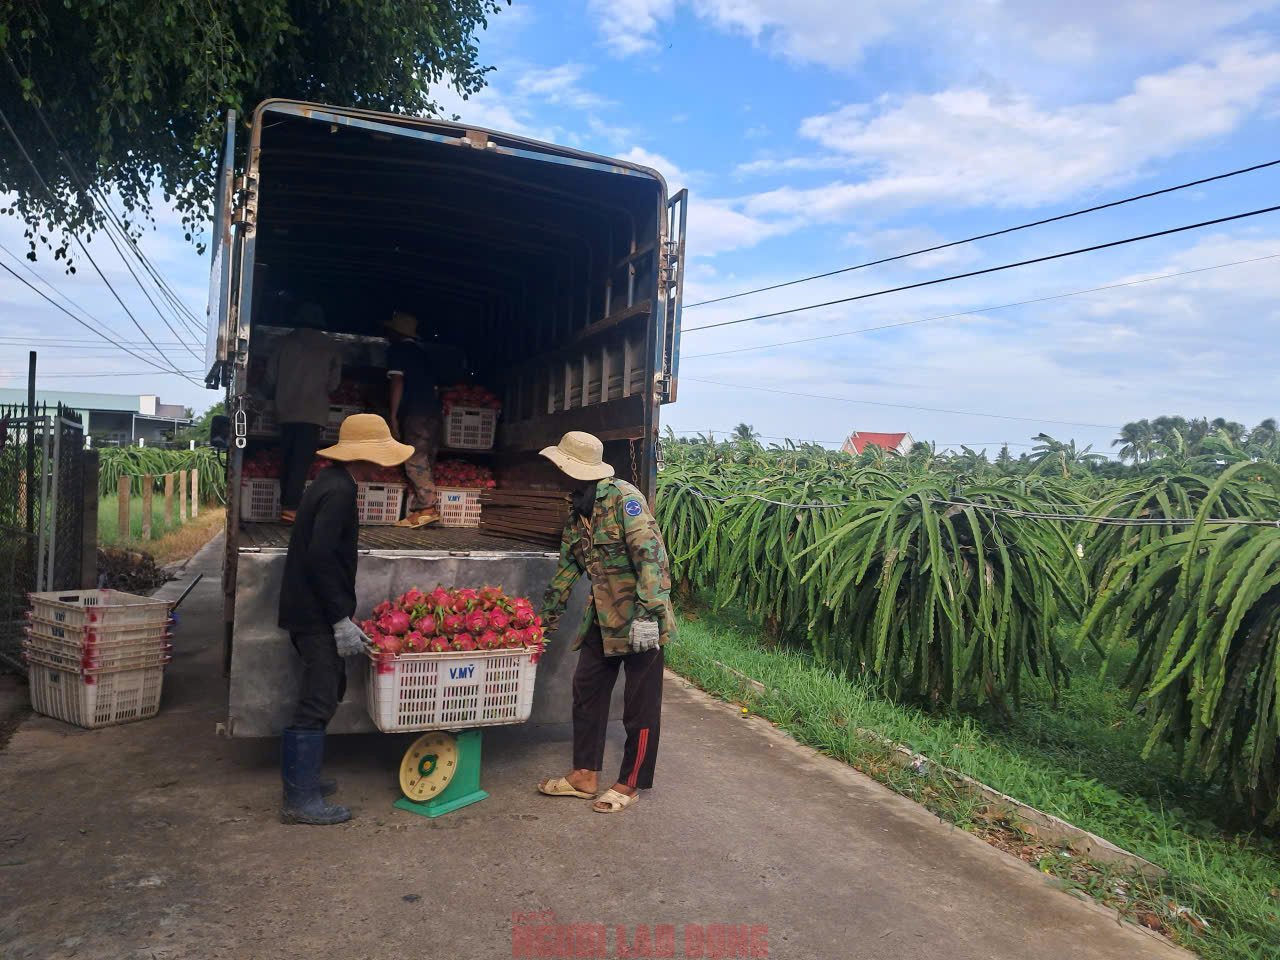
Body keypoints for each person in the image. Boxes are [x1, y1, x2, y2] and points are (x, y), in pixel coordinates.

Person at [276, 413, 413, 825]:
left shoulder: (330, 482)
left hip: (310, 608)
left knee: (328, 686)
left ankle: (306, 782)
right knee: (318, 697)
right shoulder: (338, 491)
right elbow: (319, 557)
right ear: (369, 456)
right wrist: (339, 617)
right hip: (315, 613)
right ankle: (300, 801)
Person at [536, 431, 676, 813]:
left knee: (640, 706)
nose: (555, 473)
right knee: (586, 691)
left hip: (639, 621)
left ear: (574, 469)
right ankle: (584, 775)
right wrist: (542, 623)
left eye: (559, 466)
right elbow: (567, 569)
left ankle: (631, 782)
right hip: (603, 618)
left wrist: (649, 615)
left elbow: (652, 558)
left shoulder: (624, 500)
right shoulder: (578, 509)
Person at [264, 305, 342, 523]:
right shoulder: (331, 347)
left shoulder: (283, 343)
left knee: (287, 458)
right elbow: (334, 384)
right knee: (301, 460)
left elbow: (270, 378)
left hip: (285, 410)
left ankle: (287, 506)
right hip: (313, 412)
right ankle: (290, 508)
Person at [384, 309, 440, 523]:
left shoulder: (397, 351)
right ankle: (418, 510)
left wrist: (394, 415)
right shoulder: (424, 354)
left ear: (396, 333)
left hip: (415, 412)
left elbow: (397, 383)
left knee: (414, 458)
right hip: (432, 412)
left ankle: (427, 508)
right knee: (426, 459)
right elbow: (435, 390)